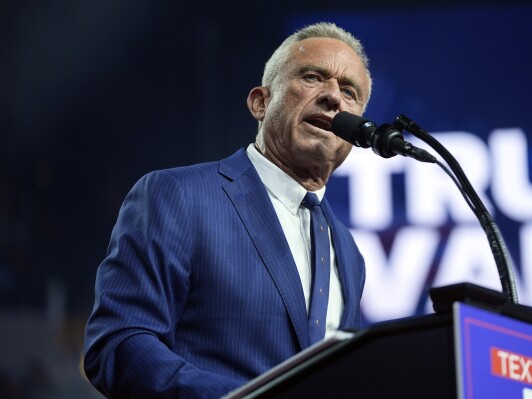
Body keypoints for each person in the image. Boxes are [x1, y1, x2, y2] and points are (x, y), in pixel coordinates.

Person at [83, 21, 371, 399]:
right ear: (260, 103)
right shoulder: (177, 196)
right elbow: (118, 344)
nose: (333, 96)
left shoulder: (348, 252)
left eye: (349, 92)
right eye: (313, 77)